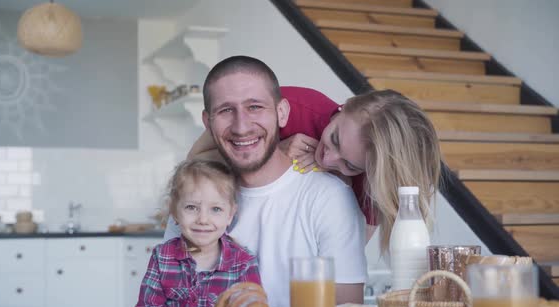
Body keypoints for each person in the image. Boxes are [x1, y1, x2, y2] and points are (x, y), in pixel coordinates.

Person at [165, 55, 368, 307]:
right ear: (208, 123)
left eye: (255, 107)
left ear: (282, 113)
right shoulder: (193, 196)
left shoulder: (329, 198)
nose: (241, 127)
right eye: (226, 110)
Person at [189, 86, 442, 254]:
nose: (329, 159)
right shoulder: (292, 106)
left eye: (350, 165)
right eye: (334, 138)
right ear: (345, 107)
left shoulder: (371, 184)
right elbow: (194, 160)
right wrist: (269, 153)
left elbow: (339, 259)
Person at [135, 159, 261, 307]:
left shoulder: (244, 263)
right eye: (191, 207)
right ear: (174, 211)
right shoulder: (162, 257)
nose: (203, 219)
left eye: (216, 209)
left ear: (230, 215)